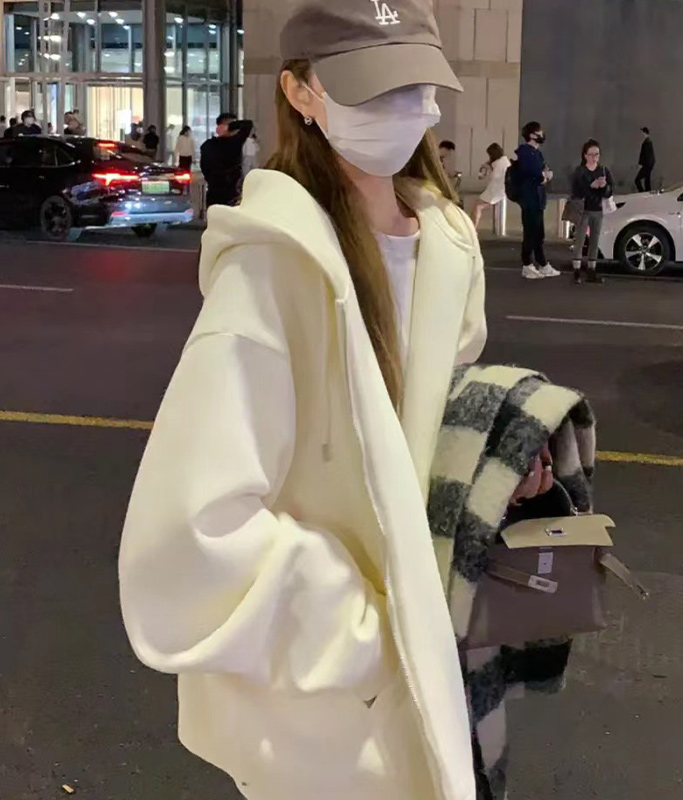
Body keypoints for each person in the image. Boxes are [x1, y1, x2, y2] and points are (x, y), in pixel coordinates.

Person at [118, 2, 486, 800]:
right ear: (300, 92)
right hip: (327, 720)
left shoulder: (450, 244)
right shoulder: (272, 268)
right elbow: (185, 538)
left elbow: (432, 426)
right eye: (372, 86)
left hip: (438, 674)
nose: (404, 108)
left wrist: (500, 464)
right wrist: (369, 636)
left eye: (415, 84)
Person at [515, 120, 559, 279]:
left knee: (538, 233)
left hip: (537, 198)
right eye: (539, 132)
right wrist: (544, 176)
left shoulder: (536, 153)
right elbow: (531, 173)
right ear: (532, 135)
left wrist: (544, 175)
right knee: (531, 232)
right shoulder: (525, 152)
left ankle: (542, 263)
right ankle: (527, 264)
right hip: (530, 198)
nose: (542, 135)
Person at [570, 138, 614, 284]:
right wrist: (591, 186)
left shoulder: (603, 170)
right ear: (585, 155)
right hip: (583, 209)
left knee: (594, 240)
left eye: (597, 154)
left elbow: (610, 190)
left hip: (597, 209)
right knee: (580, 240)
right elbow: (577, 190)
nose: (594, 157)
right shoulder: (580, 171)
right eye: (591, 154)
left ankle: (591, 271)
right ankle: (576, 271)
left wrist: (604, 186)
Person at [200, 112, 254, 207]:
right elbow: (248, 125)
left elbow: (204, 169)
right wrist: (231, 126)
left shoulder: (208, 145)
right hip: (226, 191)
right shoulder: (233, 143)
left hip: (219, 191)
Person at [472, 142, 511, 229]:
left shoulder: (500, 163)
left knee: (477, 207)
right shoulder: (503, 160)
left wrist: (488, 168)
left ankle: (473, 227)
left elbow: (495, 176)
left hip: (497, 190)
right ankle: (472, 226)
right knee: (476, 205)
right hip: (496, 189)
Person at [636, 126, 656, 192]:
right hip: (648, 165)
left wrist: (642, 164)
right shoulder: (648, 142)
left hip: (647, 165)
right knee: (647, 180)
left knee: (638, 180)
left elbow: (646, 155)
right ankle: (646, 192)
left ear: (645, 133)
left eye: (642, 133)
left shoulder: (647, 143)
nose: (641, 134)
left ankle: (642, 192)